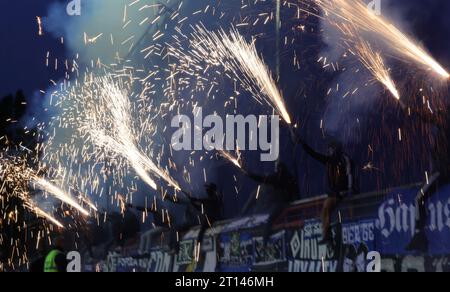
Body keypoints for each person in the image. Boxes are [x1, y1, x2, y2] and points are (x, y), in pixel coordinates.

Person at [293, 133, 355, 244]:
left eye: (331, 149)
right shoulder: (330, 160)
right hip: (335, 194)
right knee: (325, 209)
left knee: (328, 208)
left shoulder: (343, 159)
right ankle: (327, 234)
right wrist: (302, 143)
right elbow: (314, 154)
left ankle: (329, 234)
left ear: (335, 149)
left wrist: (349, 190)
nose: (329, 152)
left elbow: (349, 174)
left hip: (343, 192)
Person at [405, 103, 450, 251]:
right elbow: (429, 116)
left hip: (443, 171)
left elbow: (428, 116)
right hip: (443, 169)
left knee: (419, 199)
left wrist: (411, 108)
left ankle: (419, 236)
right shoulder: (444, 120)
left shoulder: (445, 120)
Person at [241, 162, 298, 244]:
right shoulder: (289, 177)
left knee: (270, 220)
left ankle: (265, 241)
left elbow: (260, 178)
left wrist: (247, 173)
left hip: (282, 205)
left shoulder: (277, 178)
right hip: (286, 204)